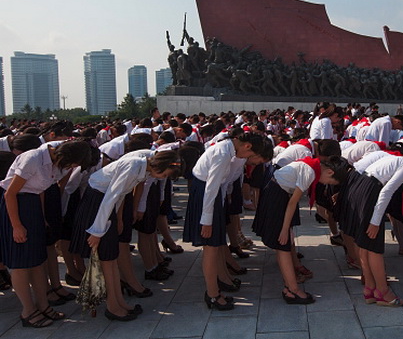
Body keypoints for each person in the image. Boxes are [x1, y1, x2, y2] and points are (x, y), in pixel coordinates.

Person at [73, 150, 182, 321]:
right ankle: (112, 306)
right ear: (160, 166)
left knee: (111, 258)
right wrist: (97, 231)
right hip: (98, 204)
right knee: (106, 259)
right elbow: (111, 195)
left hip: (106, 207)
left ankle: (119, 301)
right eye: (164, 174)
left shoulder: (143, 168)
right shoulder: (134, 166)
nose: (162, 178)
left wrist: (117, 218)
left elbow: (120, 194)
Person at [0, 140, 90, 328]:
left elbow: (39, 190)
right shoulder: (33, 158)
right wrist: (16, 225)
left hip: (33, 206)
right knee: (21, 263)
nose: (72, 168)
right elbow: (10, 194)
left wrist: (41, 217)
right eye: (73, 164)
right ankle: (28, 311)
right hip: (16, 207)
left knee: (38, 260)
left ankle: (43, 304)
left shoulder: (57, 164)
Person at [183, 133, 265, 311]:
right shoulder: (222, 153)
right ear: (247, 146)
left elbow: (222, 182)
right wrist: (207, 219)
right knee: (211, 248)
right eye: (250, 156)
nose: (248, 160)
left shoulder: (229, 149)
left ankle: (217, 285)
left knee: (216, 244)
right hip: (206, 195)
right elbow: (211, 186)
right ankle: (213, 294)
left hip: (210, 196)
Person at [252, 156, 350, 304]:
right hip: (277, 196)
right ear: (329, 172)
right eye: (330, 182)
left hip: (278, 192)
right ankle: (293, 290)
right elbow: (292, 203)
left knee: (283, 245)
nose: (325, 184)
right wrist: (285, 228)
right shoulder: (310, 172)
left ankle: (289, 286)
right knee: (283, 244)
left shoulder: (312, 165)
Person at [346, 155, 403, 307]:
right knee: (374, 247)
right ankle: (382, 292)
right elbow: (386, 191)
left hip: (360, 186)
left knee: (364, 244)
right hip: (371, 191)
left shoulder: (398, 158)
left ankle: (370, 288)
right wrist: (375, 221)